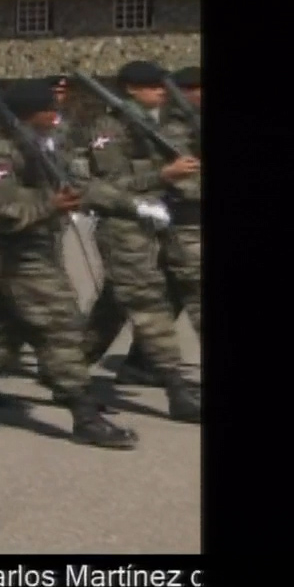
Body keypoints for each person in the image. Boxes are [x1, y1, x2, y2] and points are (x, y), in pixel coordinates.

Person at [0, 80, 140, 448]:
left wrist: (127, 204)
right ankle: (83, 413)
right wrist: (49, 206)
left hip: (43, 246)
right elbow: (2, 207)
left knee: (3, 327)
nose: (56, 113)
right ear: (28, 112)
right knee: (61, 326)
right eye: (47, 108)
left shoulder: (41, 144)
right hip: (22, 253)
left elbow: (73, 184)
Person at [80, 61, 202, 423]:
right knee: (148, 305)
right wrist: (163, 175)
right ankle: (176, 389)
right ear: (130, 88)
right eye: (152, 85)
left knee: (115, 306)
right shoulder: (108, 127)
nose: (162, 90)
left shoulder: (161, 122)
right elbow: (110, 184)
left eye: (162, 84)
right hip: (123, 226)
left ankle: (67, 366)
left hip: (160, 223)